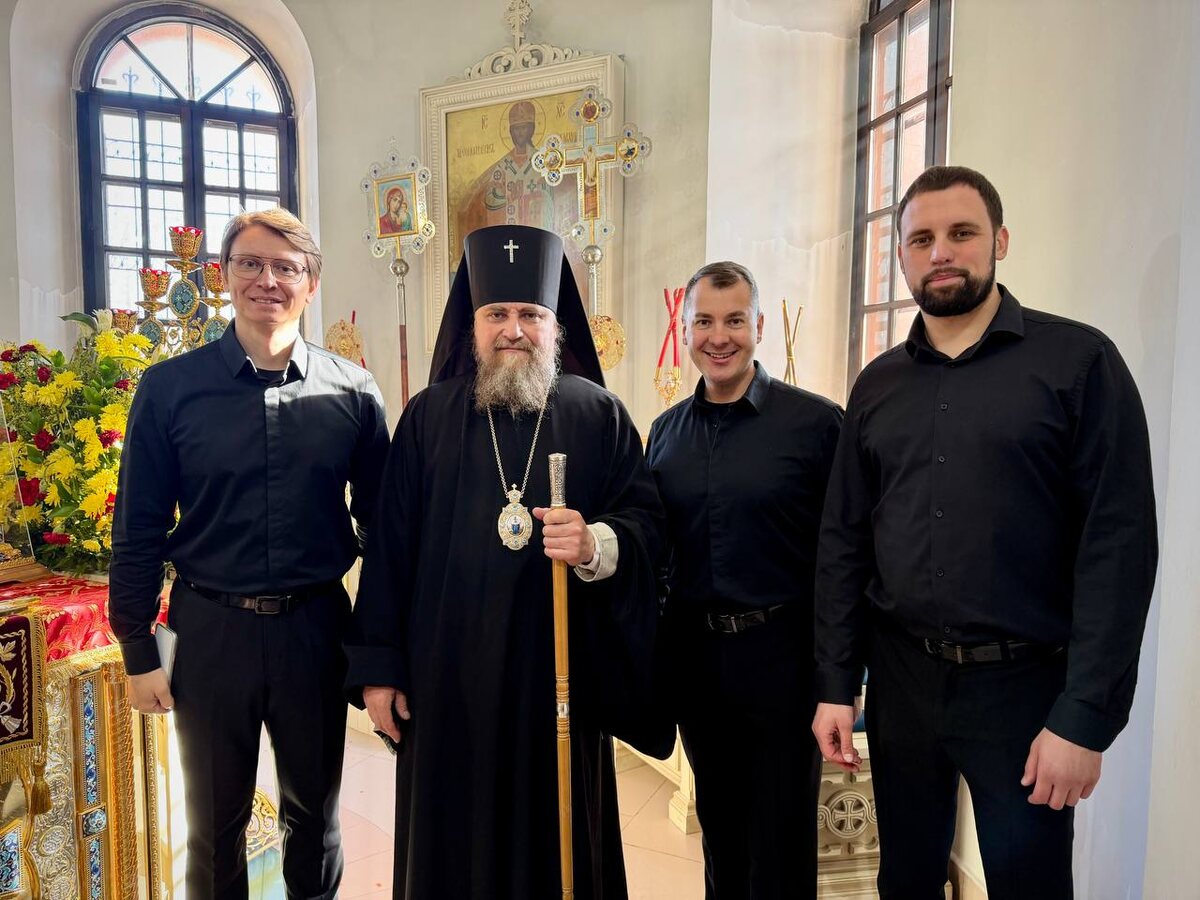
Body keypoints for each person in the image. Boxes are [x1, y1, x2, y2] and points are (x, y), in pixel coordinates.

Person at [812, 166, 1158, 899]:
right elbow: (845, 541)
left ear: (999, 241)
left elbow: (1119, 549)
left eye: (961, 233)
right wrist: (837, 684)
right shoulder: (877, 385)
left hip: (1025, 689)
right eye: (921, 239)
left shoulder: (1078, 364)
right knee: (905, 879)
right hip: (903, 680)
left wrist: (1083, 719)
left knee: (1029, 884)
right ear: (902, 256)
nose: (941, 252)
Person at [345, 223, 670, 899]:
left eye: (531, 315)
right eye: (497, 314)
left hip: (559, 683)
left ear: (556, 327)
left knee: (557, 846)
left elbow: (647, 528)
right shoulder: (427, 419)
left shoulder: (600, 415)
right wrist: (379, 670)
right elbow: (390, 549)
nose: (513, 330)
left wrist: (596, 544)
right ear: (472, 326)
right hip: (445, 684)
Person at [110, 208, 390, 899]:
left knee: (315, 819)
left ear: (311, 284)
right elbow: (138, 527)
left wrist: (380, 650)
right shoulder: (170, 389)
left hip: (314, 630)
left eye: (286, 267)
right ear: (226, 275)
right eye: (251, 264)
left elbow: (385, 529)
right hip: (210, 631)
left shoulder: (353, 391)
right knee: (213, 828)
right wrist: (139, 650)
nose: (268, 280)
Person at [645, 261, 842, 899]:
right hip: (699, 663)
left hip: (783, 660)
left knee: (781, 840)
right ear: (685, 330)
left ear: (759, 326)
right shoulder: (665, 434)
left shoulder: (815, 425)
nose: (718, 337)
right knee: (721, 833)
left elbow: (842, 557)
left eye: (734, 320)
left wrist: (840, 676)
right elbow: (657, 555)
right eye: (703, 321)